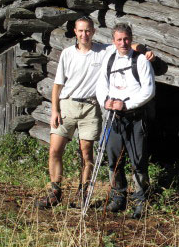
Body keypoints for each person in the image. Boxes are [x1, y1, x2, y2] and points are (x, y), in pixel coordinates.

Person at [36, 16, 153, 209]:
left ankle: (85, 194)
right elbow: (58, 85)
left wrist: (144, 50)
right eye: (81, 31)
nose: (84, 34)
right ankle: (55, 191)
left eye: (88, 30)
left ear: (94, 32)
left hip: (91, 108)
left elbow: (125, 43)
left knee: (87, 154)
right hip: (68, 105)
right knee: (55, 149)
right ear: (75, 32)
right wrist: (55, 110)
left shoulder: (103, 51)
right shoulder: (67, 53)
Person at [96, 23, 155, 218]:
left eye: (126, 39)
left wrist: (127, 105)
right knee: (114, 160)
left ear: (131, 39)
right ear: (114, 41)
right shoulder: (109, 60)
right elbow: (101, 85)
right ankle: (118, 198)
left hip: (135, 118)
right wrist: (106, 101)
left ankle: (140, 202)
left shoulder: (141, 61)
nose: (123, 43)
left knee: (138, 161)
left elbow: (148, 91)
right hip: (114, 118)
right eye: (119, 39)